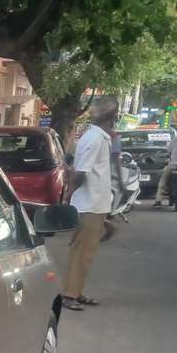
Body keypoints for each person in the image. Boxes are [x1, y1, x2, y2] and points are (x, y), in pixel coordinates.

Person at [62, 96, 120, 311]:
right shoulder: (94, 139)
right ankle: (70, 295)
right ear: (111, 115)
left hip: (95, 205)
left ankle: (75, 292)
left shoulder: (101, 138)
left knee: (87, 254)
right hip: (88, 205)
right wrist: (68, 197)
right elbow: (80, 174)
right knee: (81, 253)